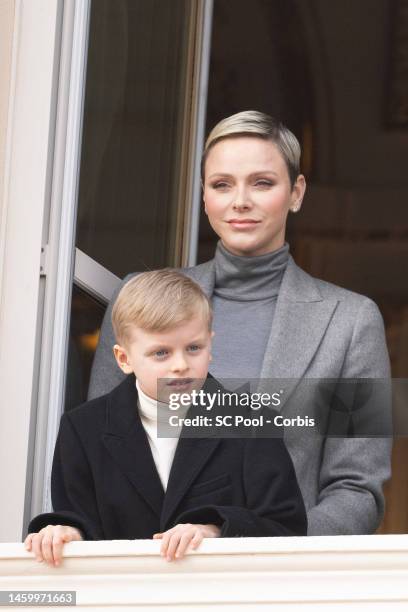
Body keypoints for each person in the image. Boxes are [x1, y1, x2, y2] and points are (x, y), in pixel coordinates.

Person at [88, 111, 392, 536]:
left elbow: (358, 490)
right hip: (148, 575)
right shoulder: (134, 298)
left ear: (297, 192)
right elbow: (97, 453)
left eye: (262, 183)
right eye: (222, 184)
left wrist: (269, 549)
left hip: (278, 585)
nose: (240, 201)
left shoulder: (354, 321)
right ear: (204, 196)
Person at [25, 270, 307, 566]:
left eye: (194, 348)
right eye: (161, 353)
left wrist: (216, 530)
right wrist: (68, 532)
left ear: (210, 345)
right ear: (124, 359)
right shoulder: (82, 429)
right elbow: (79, 518)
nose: (181, 365)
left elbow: (287, 529)